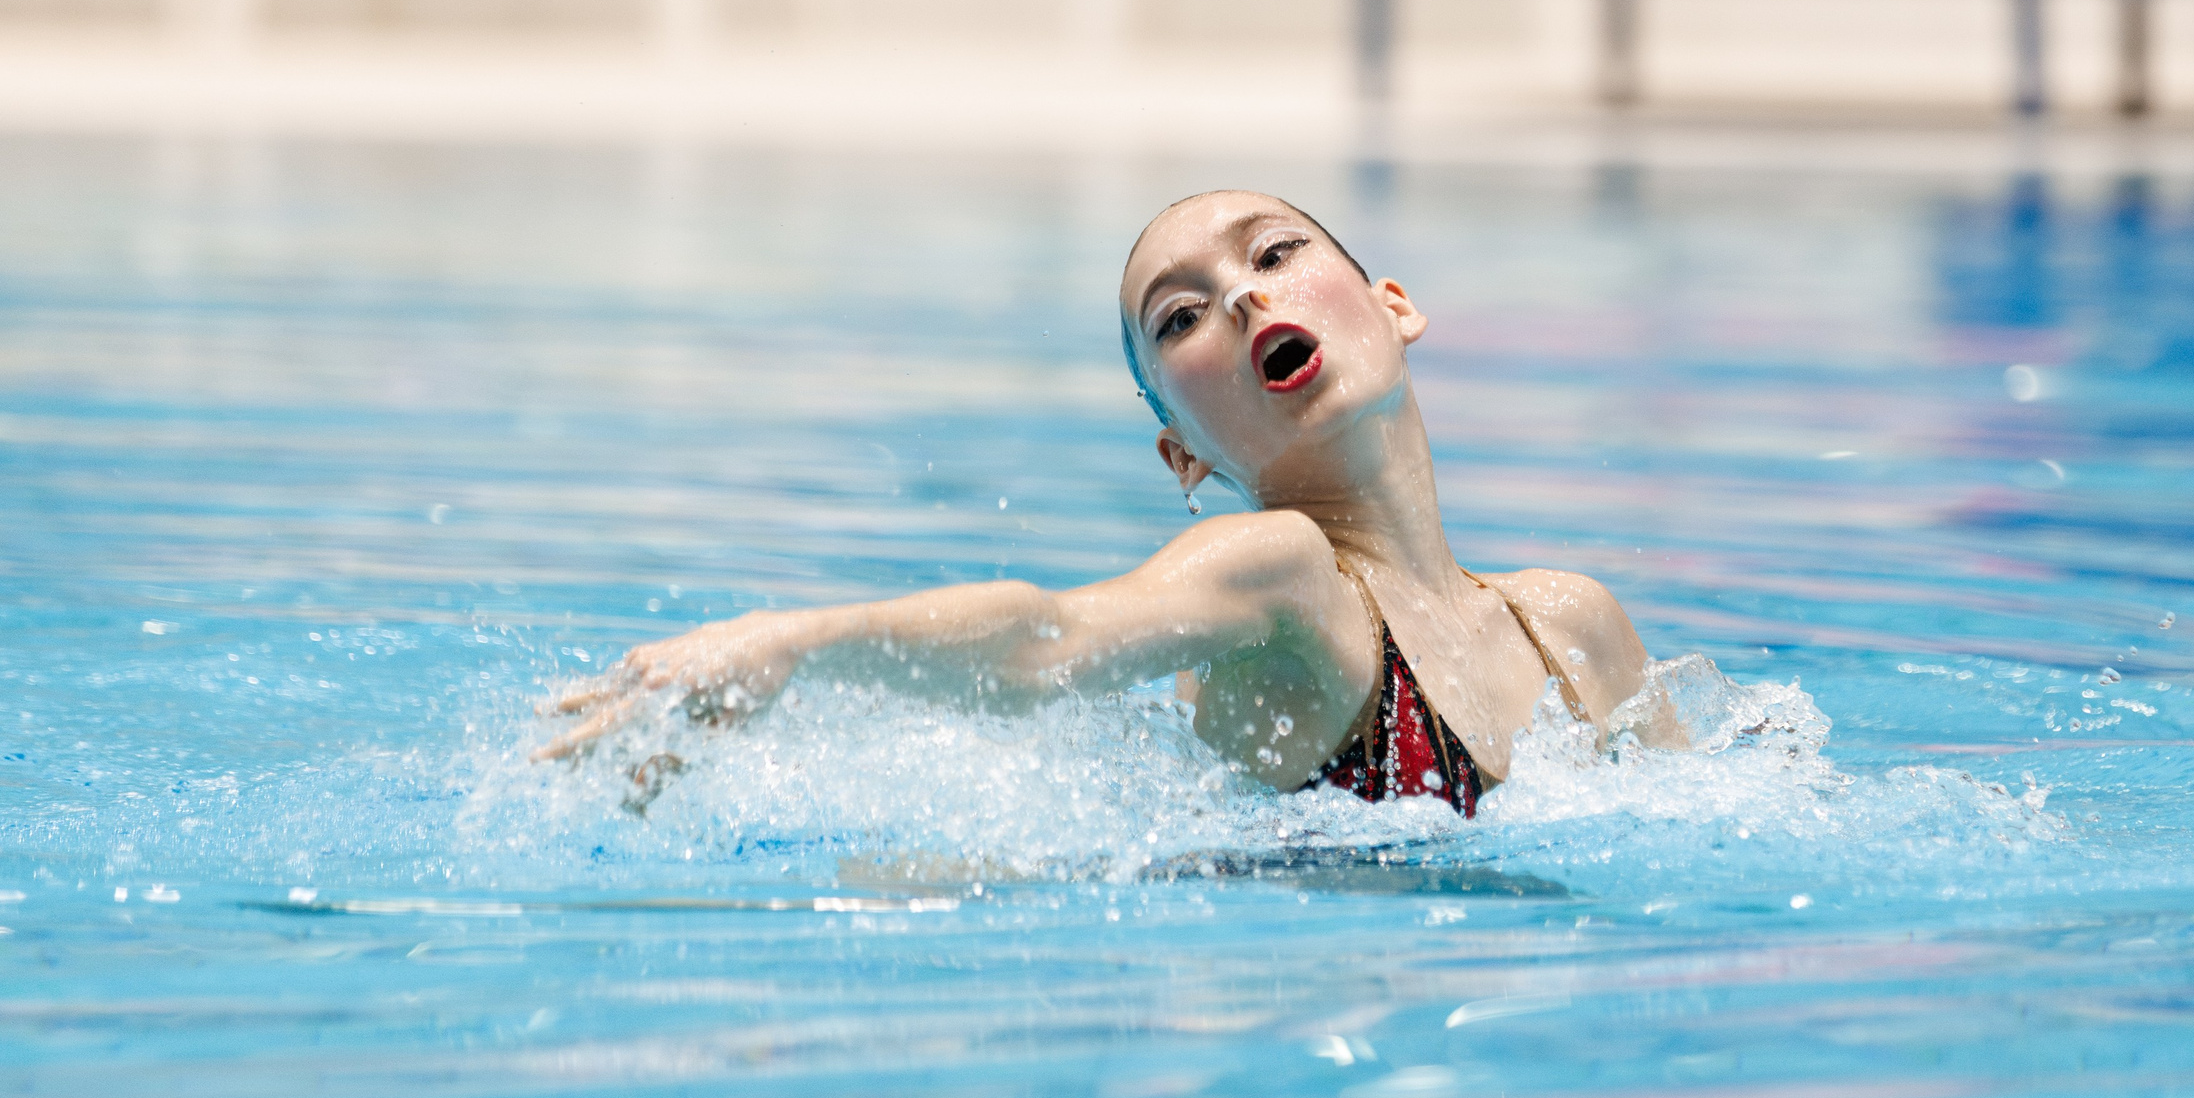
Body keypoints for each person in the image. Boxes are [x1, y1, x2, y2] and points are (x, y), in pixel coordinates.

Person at [539, 190, 1686, 814]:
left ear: (1395, 305)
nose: (1239, 294)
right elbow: (1054, 637)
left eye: (1274, 253)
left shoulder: (1569, 624)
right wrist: (791, 641)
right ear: (1181, 455)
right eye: (1178, 318)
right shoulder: (1279, 573)